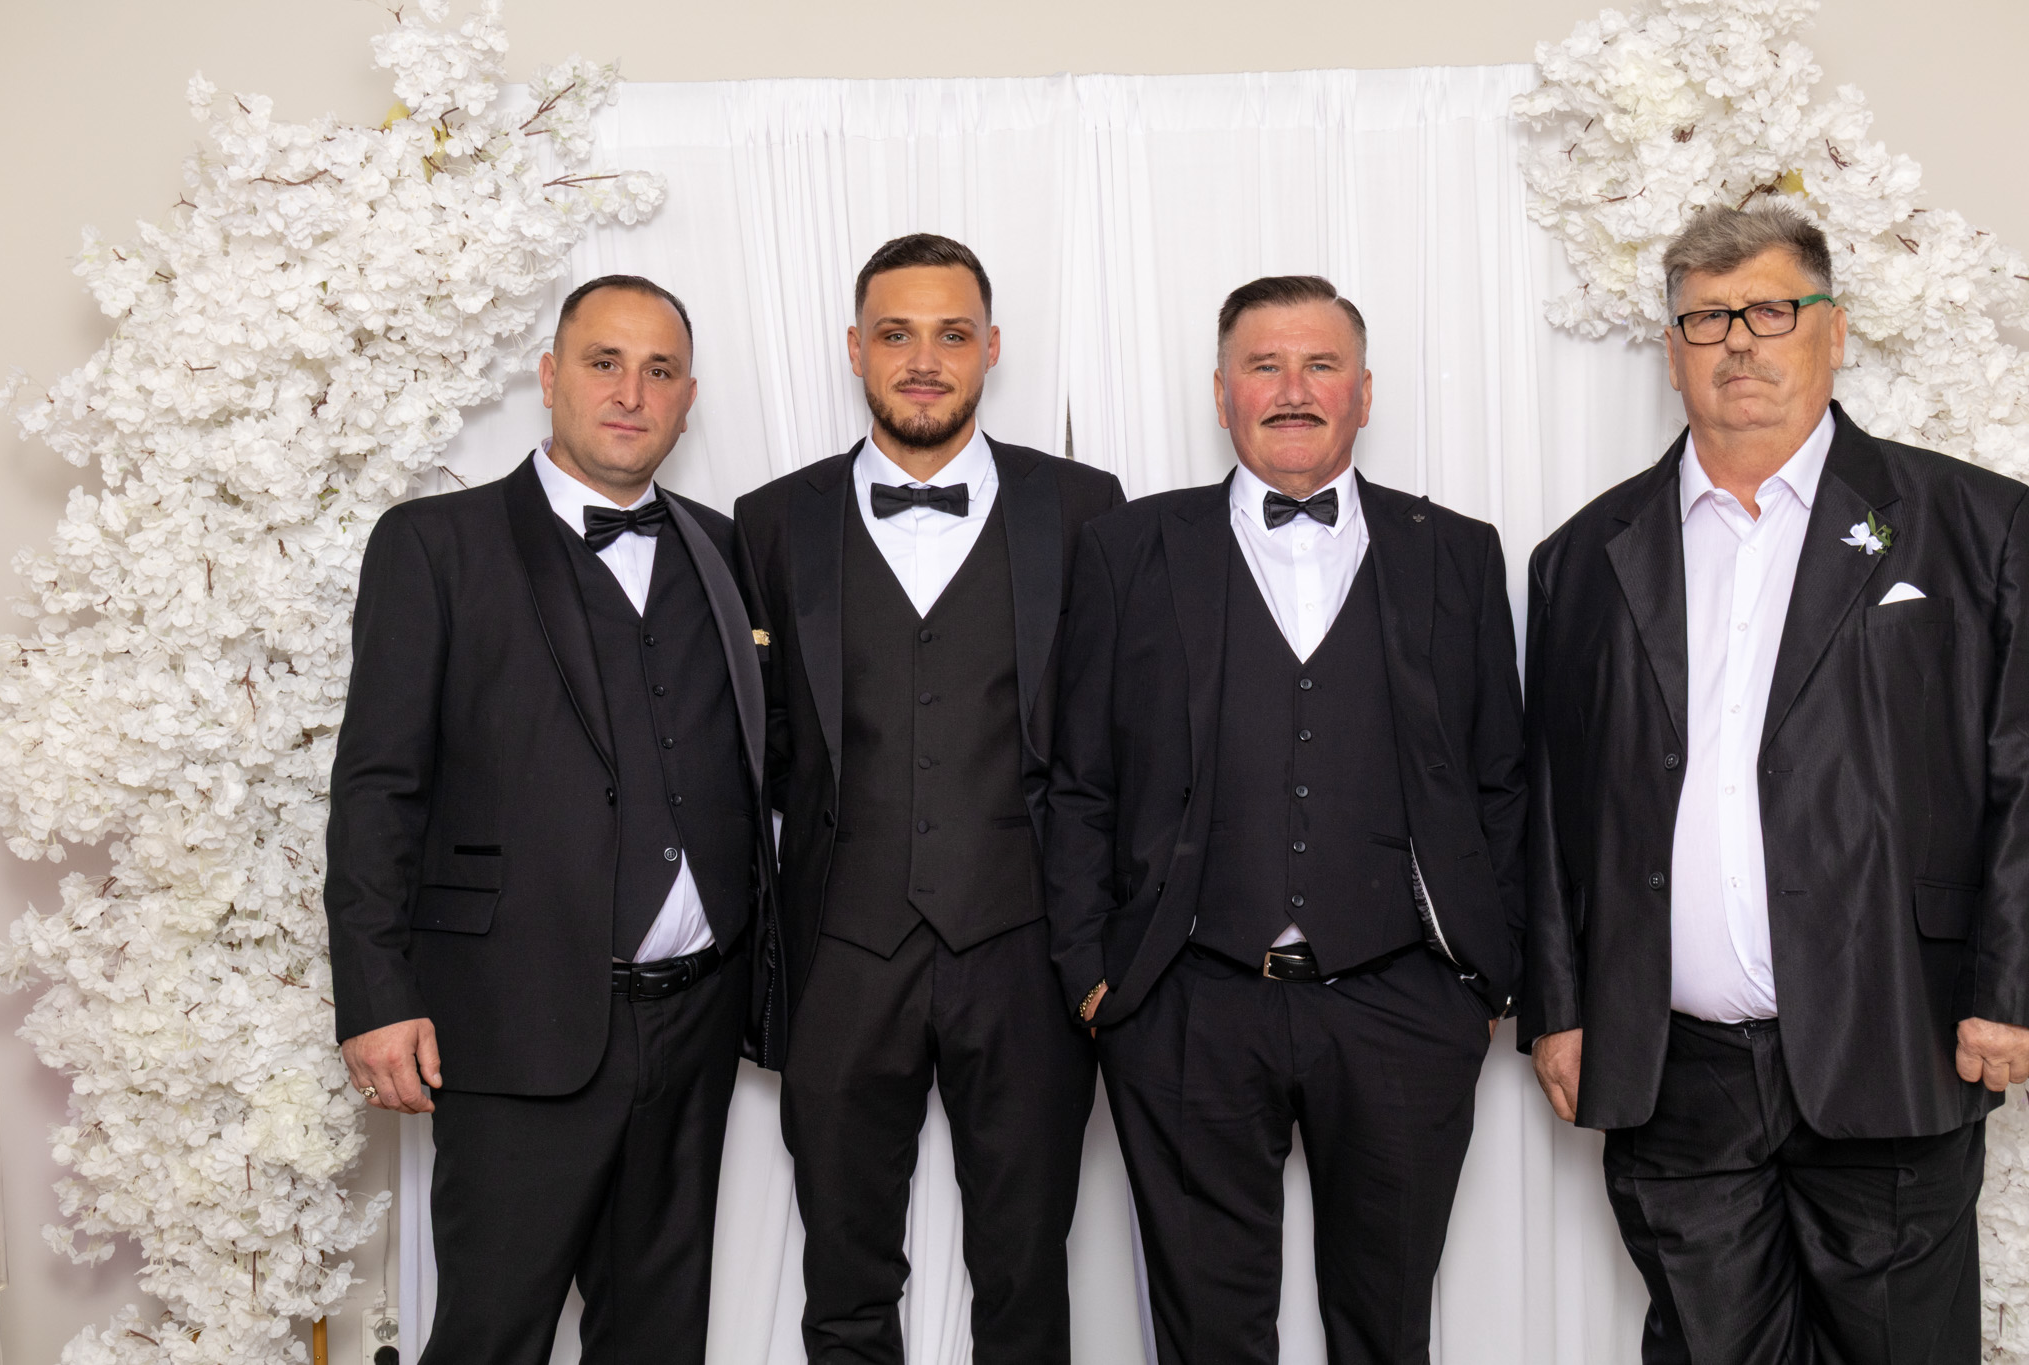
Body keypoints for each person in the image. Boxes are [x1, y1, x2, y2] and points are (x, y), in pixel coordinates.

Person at [1523, 203, 2029, 1364]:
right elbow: (1553, 800)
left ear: (1832, 331)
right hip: (1672, 1072)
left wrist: (2006, 986)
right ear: (1671, 352)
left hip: (1892, 1035)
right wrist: (1557, 1005)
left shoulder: (1975, 526)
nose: (1737, 342)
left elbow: (2018, 768)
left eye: (1768, 310)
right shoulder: (1583, 557)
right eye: (1705, 319)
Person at [1045, 274, 1526, 1365]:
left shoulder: (1455, 551)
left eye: (1320, 366)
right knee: (1207, 1335)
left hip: (1404, 1001)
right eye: (1263, 366)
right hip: (1185, 999)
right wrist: (1091, 971)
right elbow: (1079, 779)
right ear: (1221, 393)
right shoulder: (1127, 548)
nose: (1292, 390)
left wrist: (1483, 975)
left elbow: (1498, 775)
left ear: (1365, 392)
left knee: (1387, 1328)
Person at [324, 275, 777, 1364]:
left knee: (659, 1338)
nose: (631, 392)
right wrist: (377, 995)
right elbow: (379, 783)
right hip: (513, 1019)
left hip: (696, 1020)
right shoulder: (434, 543)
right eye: (603, 362)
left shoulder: (727, 549)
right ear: (549, 377)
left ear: (688, 398)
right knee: (492, 1336)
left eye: (659, 371)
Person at [733, 232, 1122, 1363]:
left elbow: (1118, 734)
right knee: (844, 1273)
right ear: (854, 348)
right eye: (895, 334)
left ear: (991, 348)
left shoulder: (1084, 507)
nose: (922, 360)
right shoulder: (772, 520)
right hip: (841, 953)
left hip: (1028, 952)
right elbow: (756, 742)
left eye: (951, 334)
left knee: (1025, 1270)